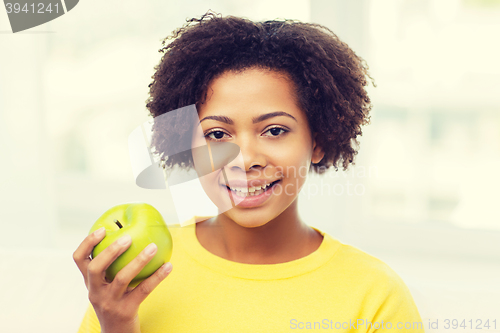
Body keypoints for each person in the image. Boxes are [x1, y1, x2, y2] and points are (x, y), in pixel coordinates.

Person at [74, 11, 425, 333]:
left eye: (274, 130)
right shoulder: (137, 270)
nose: (245, 159)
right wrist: (117, 323)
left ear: (317, 140)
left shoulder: (374, 295)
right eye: (217, 134)